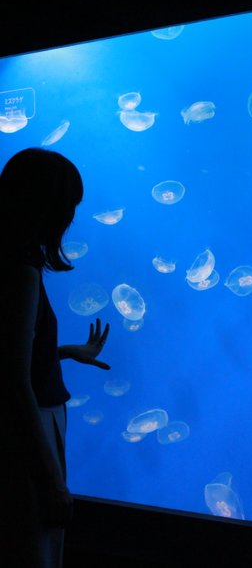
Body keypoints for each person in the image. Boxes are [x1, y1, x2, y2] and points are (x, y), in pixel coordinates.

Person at [0, 147, 111, 568]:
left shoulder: (9, 260)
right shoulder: (20, 270)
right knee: (29, 550)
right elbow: (12, 378)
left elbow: (13, 354)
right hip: (26, 430)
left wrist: (62, 352)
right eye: (69, 206)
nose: (70, 217)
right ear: (45, 207)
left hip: (21, 422)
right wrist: (51, 482)